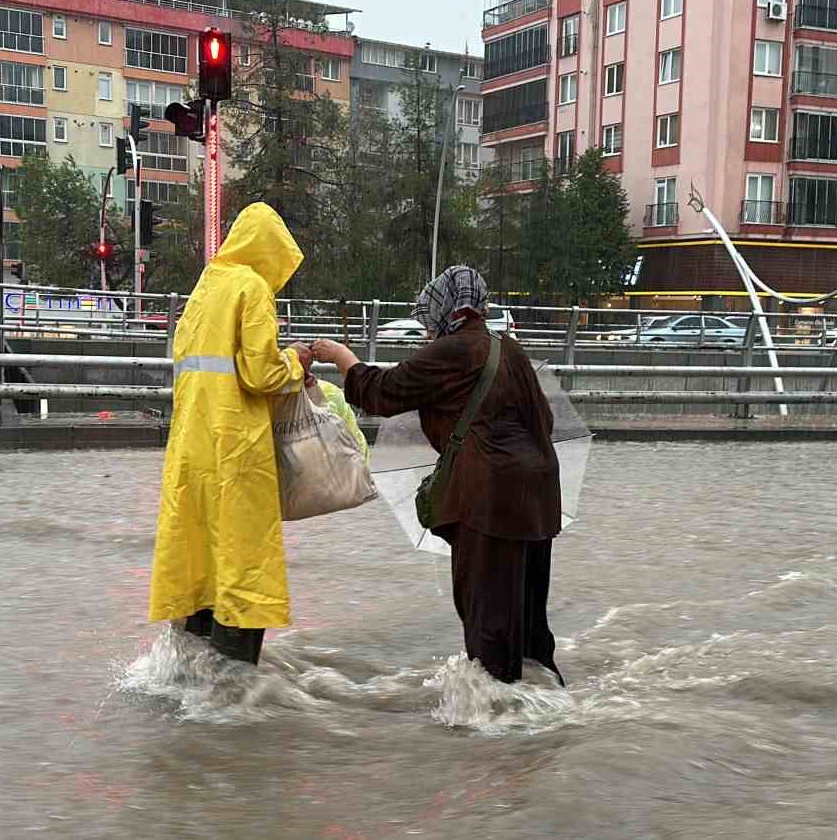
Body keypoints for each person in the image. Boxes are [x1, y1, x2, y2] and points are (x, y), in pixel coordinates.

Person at [312, 266, 564, 685]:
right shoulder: (509, 348)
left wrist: (342, 357)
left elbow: (382, 391)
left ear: (446, 312)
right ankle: (545, 716)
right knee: (528, 624)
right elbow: (547, 421)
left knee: (488, 624)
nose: (427, 331)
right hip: (537, 500)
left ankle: (495, 728)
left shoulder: (454, 350)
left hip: (487, 502)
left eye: (428, 321)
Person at [149, 202, 314, 664]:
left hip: (190, 450)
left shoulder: (205, 288)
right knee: (244, 557)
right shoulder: (251, 287)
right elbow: (260, 372)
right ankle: (235, 688)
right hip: (237, 447)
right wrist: (295, 362)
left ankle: (193, 674)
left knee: (199, 554)